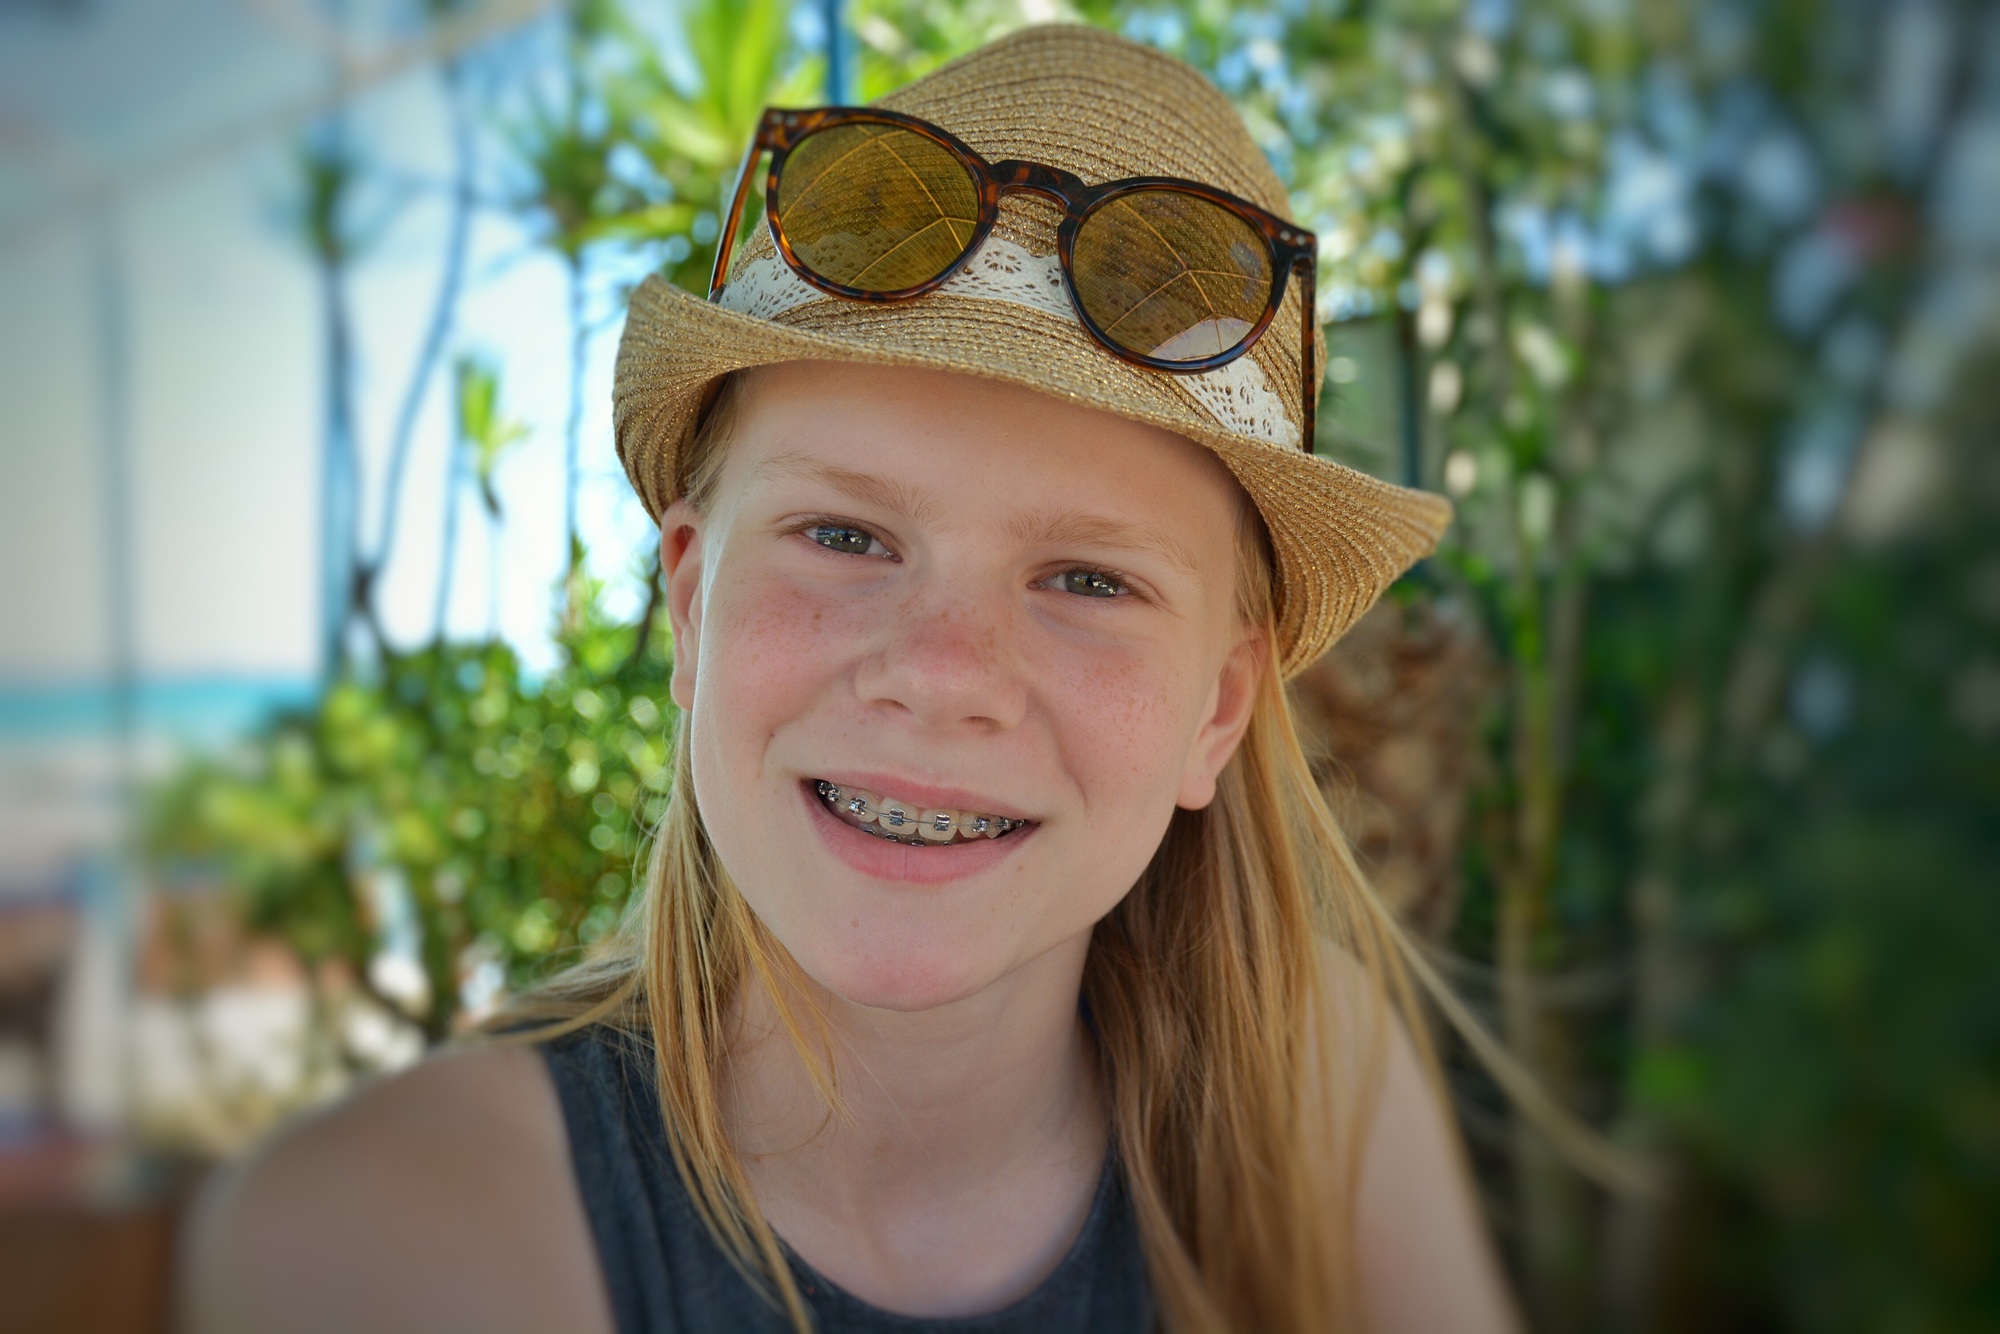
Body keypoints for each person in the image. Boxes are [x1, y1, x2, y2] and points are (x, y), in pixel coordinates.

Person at [183, 24, 1517, 1334]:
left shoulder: (1309, 1092)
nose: (940, 675)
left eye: (1089, 580)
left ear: (1217, 711)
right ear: (692, 601)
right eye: (845, 537)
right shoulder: (392, 1233)